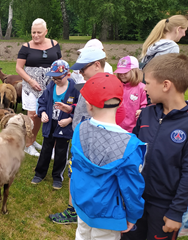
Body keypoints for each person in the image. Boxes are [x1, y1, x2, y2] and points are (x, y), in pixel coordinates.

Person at [49, 47, 126, 224]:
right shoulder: (90, 84)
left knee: (81, 173)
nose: (80, 72)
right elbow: (84, 109)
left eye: (83, 68)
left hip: (91, 140)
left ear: (97, 65)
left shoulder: (106, 87)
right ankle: (76, 208)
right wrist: (71, 109)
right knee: (75, 172)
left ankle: (77, 211)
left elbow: (114, 115)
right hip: (81, 136)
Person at [71, 72, 146, 240]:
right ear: (120, 104)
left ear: (89, 106)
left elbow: (76, 165)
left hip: (82, 204)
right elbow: (132, 186)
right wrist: (133, 215)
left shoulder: (80, 129)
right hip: (109, 214)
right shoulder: (130, 145)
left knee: (81, 235)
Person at [122, 53, 188, 239]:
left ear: (166, 85)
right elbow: (132, 152)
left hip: (164, 207)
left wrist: (175, 212)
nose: (144, 88)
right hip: (136, 198)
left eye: (148, 83)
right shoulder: (146, 114)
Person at [16, 18, 62, 157]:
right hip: (32, 86)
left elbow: (59, 63)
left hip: (50, 85)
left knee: (49, 114)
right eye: (33, 32)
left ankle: (36, 140)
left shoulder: (54, 44)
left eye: (39, 33)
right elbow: (19, 68)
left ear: (46, 31)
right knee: (32, 114)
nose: (36, 35)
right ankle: (28, 144)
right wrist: (30, 81)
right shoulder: (26, 47)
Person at [30, 60, 79, 189]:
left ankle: (57, 177)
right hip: (49, 124)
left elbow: (80, 109)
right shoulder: (50, 87)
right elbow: (41, 102)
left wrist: (70, 119)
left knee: (61, 152)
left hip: (64, 126)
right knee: (46, 149)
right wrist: (43, 113)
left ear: (67, 75)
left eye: (58, 78)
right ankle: (39, 173)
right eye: (53, 78)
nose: (55, 81)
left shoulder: (75, 90)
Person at [114, 56, 147, 132]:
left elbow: (144, 105)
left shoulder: (142, 88)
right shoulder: (117, 86)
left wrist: (142, 111)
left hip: (133, 129)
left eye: (125, 72)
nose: (122, 75)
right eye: (120, 72)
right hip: (116, 127)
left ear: (134, 71)